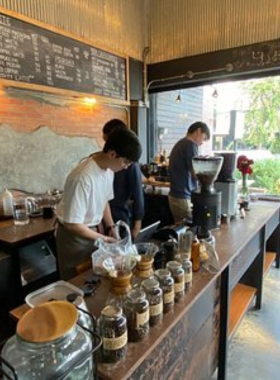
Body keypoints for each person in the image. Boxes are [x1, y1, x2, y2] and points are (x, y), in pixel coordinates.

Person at [55, 122, 142, 280]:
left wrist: (111, 227)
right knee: (76, 283)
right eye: (126, 162)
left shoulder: (108, 170)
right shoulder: (83, 177)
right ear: (112, 154)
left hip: (92, 233)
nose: (126, 167)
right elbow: (72, 224)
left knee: (96, 279)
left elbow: (104, 202)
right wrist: (105, 239)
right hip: (74, 238)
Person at [102, 120, 145, 240]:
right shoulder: (103, 162)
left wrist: (137, 223)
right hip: (103, 218)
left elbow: (138, 192)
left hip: (120, 215)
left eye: (108, 139)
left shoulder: (129, 161)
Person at [168, 121, 210, 223]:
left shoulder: (181, 143)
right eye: (204, 138)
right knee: (188, 231)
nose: (201, 143)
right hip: (182, 196)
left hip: (174, 196)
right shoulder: (190, 145)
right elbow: (196, 173)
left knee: (180, 230)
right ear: (198, 131)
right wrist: (208, 180)